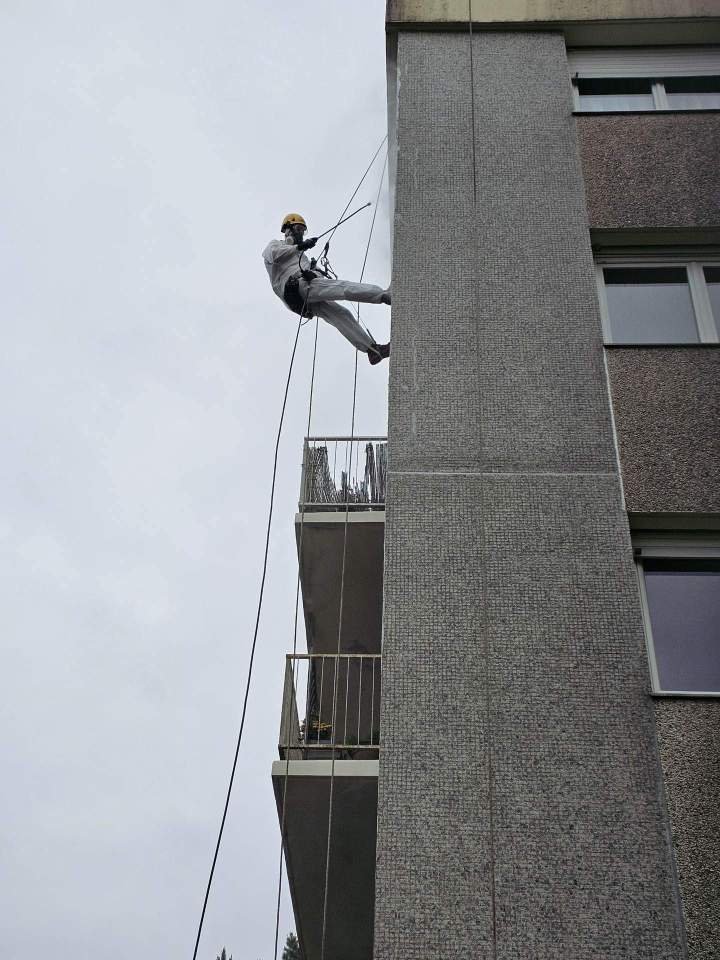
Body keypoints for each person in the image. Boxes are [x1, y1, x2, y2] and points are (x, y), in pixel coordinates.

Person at [262, 213, 391, 364]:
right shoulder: (276, 245)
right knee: (343, 288)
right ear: (287, 230)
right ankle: (384, 295)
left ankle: (372, 351)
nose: (301, 233)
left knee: (341, 314)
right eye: (298, 228)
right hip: (296, 287)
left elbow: (317, 275)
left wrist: (314, 272)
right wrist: (299, 247)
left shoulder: (302, 257)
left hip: (303, 297)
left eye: (303, 231)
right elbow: (274, 255)